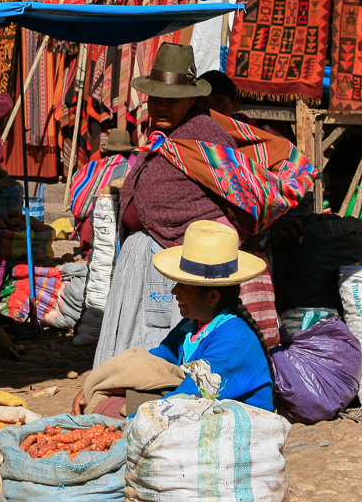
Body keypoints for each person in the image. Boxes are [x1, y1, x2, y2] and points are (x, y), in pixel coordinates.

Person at [93, 43, 253, 367]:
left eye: (172, 100)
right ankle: (123, 387)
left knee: (163, 343)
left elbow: (242, 198)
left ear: (192, 99)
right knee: (131, 338)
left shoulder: (207, 136)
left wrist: (206, 255)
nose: (162, 107)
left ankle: (156, 395)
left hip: (178, 263)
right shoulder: (163, 134)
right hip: (144, 258)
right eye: (156, 98)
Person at [73, 220, 274, 415]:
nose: (174, 291)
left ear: (213, 296)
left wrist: (133, 421)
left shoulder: (233, 339)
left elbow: (191, 396)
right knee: (110, 400)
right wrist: (98, 385)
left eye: (184, 286)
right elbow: (154, 361)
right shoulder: (191, 327)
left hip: (228, 418)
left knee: (114, 410)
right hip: (195, 402)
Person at [70, 128, 136, 252]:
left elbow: (76, 188)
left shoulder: (91, 167)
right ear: (128, 151)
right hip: (106, 231)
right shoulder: (128, 169)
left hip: (85, 230)